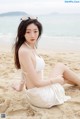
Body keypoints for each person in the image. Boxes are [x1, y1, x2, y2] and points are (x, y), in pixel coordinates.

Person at [12, 16, 80, 108]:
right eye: (28, 32)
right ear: (22, 32)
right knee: (61, 67)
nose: (32, 35)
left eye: (35, 31)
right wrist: (55, 80)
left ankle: (75, 82)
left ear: (39, 31)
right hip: (41, 96)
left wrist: (20, 88)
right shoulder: (25, 51)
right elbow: (37, 83)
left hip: (37, 92)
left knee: (64, 73)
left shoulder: (28, 46)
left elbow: (25, 71)